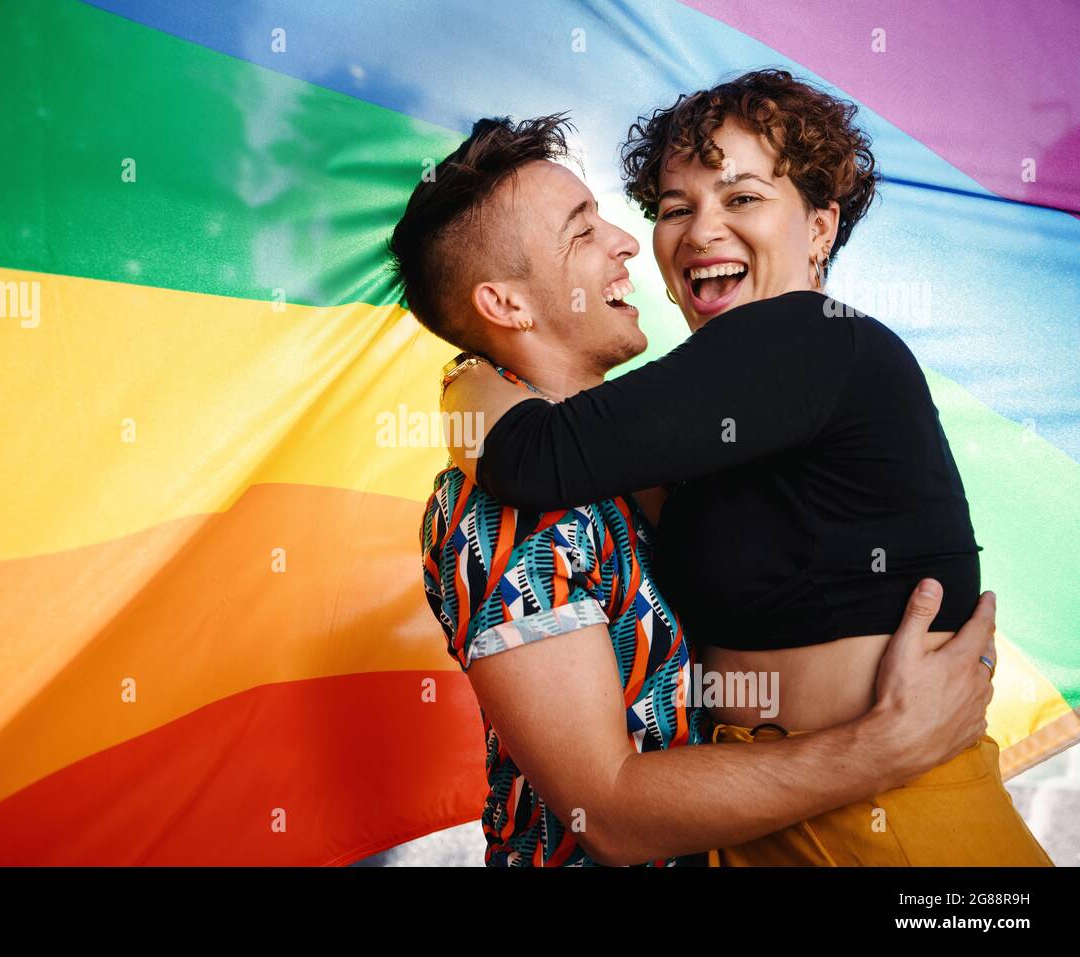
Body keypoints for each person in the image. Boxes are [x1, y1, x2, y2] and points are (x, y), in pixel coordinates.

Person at [437, 72, 1052, 865]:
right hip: (770, 818)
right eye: (674, 207)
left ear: (820, 227)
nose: (699, 231)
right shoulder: (712, 418)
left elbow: (531, 455)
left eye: (744, 199)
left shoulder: (811, 335)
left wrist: (461, 376)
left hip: (895, 822)